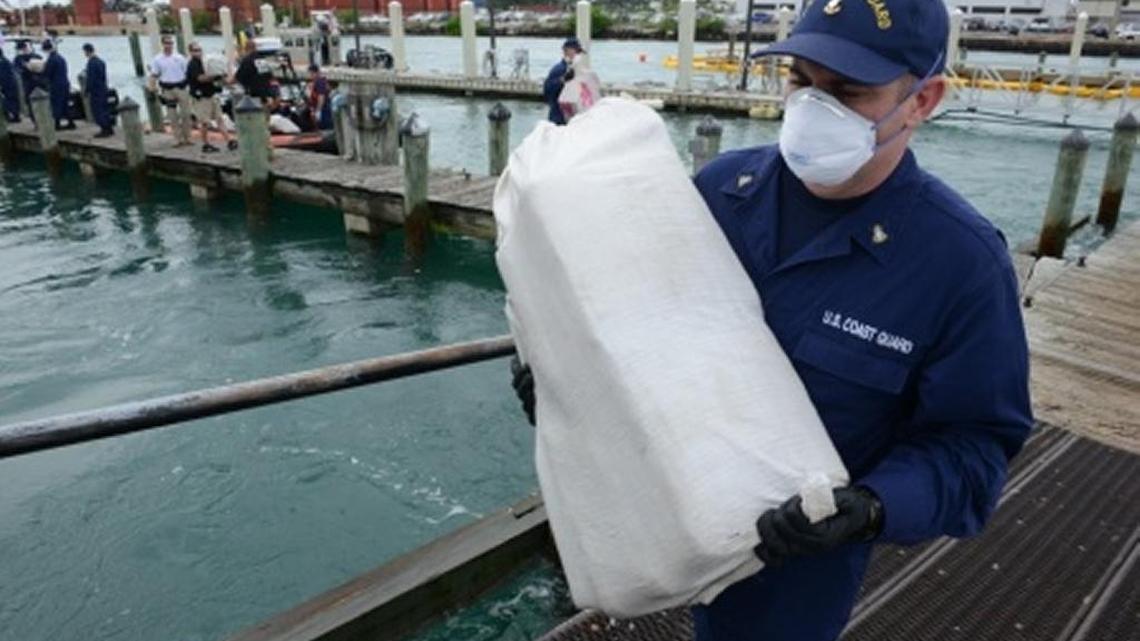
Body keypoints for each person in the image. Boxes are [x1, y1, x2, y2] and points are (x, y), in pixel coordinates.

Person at [510, 1, 1033, 640]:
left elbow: (974, 447)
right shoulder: (717, 193)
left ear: (922, 100)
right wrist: (566, 385)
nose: (814, 107)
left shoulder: (961, 264)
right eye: (800, 81)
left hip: (800, 558)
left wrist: (872, 508)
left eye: (848, 91)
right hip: (663, 500)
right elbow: (630, 326)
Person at [185, 41, 234, 153]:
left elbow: (214, 74)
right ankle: (205, 144)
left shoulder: (205, 62)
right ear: (191, 52)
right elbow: (200, 78)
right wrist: (214, 76)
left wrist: (222, 76)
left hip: (211, 94)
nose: (198, 52)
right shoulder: (192, 65)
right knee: (205, 122)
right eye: (195, 50)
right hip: (201, 97)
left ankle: (229, 140)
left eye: (199, 50)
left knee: (219, 119)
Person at [150, 35, 191, 146]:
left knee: (186, 114)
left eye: (171, 43)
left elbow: (187, 73)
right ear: (162, 44)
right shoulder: (157, 59)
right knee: (172, 116)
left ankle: (187, 137)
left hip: (181, 87)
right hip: (167, 89)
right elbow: (154, 75)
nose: (169, 45)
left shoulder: (180, 58)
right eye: (167, 43)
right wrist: (152, 88)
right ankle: (177, 138)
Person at [542, 37, 582, 125]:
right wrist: (563, 79)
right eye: (576, 52)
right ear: (566, 51)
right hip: (558, 116)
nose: (578, 55)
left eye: (579, 52)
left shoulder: (575, 69)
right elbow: (547, 89)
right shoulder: (559, 69)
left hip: (572, 117)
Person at [39, 39, 73, 130]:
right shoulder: (61, 58)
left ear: (46, 50)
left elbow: (47, 73)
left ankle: (57, 124)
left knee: (56, 104)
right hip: (65, 83)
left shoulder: (51, 60)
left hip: (56, 85)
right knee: (65, 103)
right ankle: (71, 122)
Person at [81, 43, 112, 137]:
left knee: (97, 110)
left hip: (95, 91)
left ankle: (104, 129)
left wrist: (86, 90)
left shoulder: (91, 63)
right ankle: (109, 128)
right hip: (103, 88)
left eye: (84, 52)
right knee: (105, 109)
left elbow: (91, 79)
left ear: (87, 51)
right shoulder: (101, 62)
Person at [14, 40, 41, 119]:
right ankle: (35, 117)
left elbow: (17, 70)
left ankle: (33, 116)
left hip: (28, 82)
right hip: (36, 82)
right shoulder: (36, 56)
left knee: (29, 100)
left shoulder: (19, 58)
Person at [306, 63, 332, 130]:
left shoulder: (319, 82)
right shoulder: (318, 81)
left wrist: (318, 111)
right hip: (322, 108)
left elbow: (321, 97)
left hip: (323, 109)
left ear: (316, 72)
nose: (310, 75)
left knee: (325, 127)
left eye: (311, 73)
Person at [0, 42, 20, 122]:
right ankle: (14, 115)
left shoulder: (3, 62)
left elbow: (3, 75)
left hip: (7, 84)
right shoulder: (6, 61)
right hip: (11, 83)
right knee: (12, 100)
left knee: (9, 100)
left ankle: (14, 116)